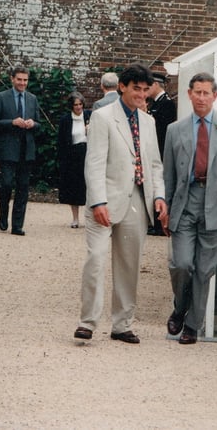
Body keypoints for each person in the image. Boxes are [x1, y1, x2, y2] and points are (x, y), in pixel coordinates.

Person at [74, 63, 168, 344]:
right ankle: (87, 322)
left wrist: (159, 196)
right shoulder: (103, 117)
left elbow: (154, 165)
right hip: (104, 201)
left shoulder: (149, 122)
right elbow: (94, 164)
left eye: (144, 90)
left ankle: (122, 324)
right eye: (135, 89)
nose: (141, 95)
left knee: (129, 265)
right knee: (96, 259)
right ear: (123, 87)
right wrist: (98, 201)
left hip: (137, 200)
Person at [162, 72, 217, 345]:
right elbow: (168, 174)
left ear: (215, 96)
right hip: (185, 203)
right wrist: (165, 209)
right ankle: (180, 307)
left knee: (204, 269)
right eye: (196, 92)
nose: (201, 98)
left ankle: (193, 324)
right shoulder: (174, 130)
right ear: (189, 94)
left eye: (206, 93)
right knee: (182, 263)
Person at [0, 65, 40, 236]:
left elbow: (40, 124)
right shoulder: (1, 97)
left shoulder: (32, 99)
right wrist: (11, 122)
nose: (22, 83)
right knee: (7, 184)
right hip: (8, 149)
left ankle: (17, 225)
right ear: (12, 79)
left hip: (27, 150)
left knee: (23, 187)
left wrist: (33, 124)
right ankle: (3, 213)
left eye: (25, 80)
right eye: (19, 79)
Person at [146, 71, 177, 236]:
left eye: (148, 86)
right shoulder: (155, 103)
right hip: (154, 150)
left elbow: (163, 132)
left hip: (161, 151)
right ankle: (154, 220)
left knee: (160, 185)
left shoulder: (166, 104)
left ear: (156, 85)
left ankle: (159, 223)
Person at [57, 91, 91, 228]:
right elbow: (61, 141)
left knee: (89, 186)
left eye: (80, 104)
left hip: (88, 153)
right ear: (71, 106)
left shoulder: (90, 116)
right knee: (74, 187)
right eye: (75, 105)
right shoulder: (65, 120)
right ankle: (75, 218)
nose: (78, 107)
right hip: (72, 157)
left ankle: (90, 218)